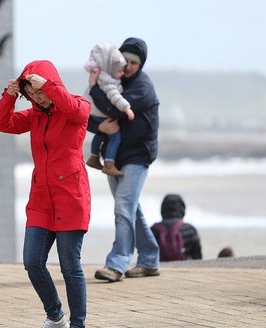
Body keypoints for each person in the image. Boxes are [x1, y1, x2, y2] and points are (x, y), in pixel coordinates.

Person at [0, 60, 91, 328]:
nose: (37, 97)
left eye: (40, 91)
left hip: (70, 198)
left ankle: (77, 324)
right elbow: (2, 123)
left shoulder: (78, 106)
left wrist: (47, 85)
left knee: (70, 266)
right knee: (32, 262)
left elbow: (75, 111)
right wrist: (10, 95)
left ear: (53, 85)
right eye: (32, 94)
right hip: (41, 200)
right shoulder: (34, 115)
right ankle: (55, 314)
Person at [90, 37, 161, 282]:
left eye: (134, 62)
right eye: (125, 60)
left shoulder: (142, 86)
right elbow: (91, 118)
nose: (129, 66)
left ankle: (117, 264)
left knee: (123, 207)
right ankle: (150, 259)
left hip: (137, 155)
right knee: (130, 208)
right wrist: (103, 129)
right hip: (113, 156)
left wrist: (93, 89)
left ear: (141, 65)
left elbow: (116, 110)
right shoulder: (112, 81)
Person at [83, 43, 135, 177]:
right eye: (119, 71)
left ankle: (94, 157)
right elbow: (115, 96)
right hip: (101, 113)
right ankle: (109, 164)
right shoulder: (110, 82)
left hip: (93, 112)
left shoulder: (99, 76)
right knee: (115, 137)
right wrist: (127, 108)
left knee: (99, 134)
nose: (122, 73)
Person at [151, 194, 202, 261]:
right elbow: (197, 257)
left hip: (159, 269)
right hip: (185, 268)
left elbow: (148, 255)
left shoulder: (153, 230)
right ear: (182, 209)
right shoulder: (190, 230)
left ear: (162, 209)